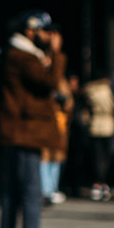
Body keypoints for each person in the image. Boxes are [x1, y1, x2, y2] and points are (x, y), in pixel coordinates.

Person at [0, 10, 65, 228]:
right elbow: (49, 82)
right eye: (45, 32)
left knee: (12, 194)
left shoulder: (15, 54)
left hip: (16, 134)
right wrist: (56, 54)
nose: (49, 36)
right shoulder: (23, 57)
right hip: (24, 135)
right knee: (31, 194)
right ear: (30, 31)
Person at [40, 71, 73, 205]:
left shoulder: (61, 81)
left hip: (59, 124)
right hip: (44, 123)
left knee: (56, 158)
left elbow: (69, 103)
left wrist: (63, 100)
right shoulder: (40, 76)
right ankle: (46, 189)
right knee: (44, 158)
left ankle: (52, 188)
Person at [82, 75, 114, 201]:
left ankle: (97, 183)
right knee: (106, 157)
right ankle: (103, 184)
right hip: (108, 125)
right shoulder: (109, 90)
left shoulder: (91, 90)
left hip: (95, 125)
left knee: (96, 156)